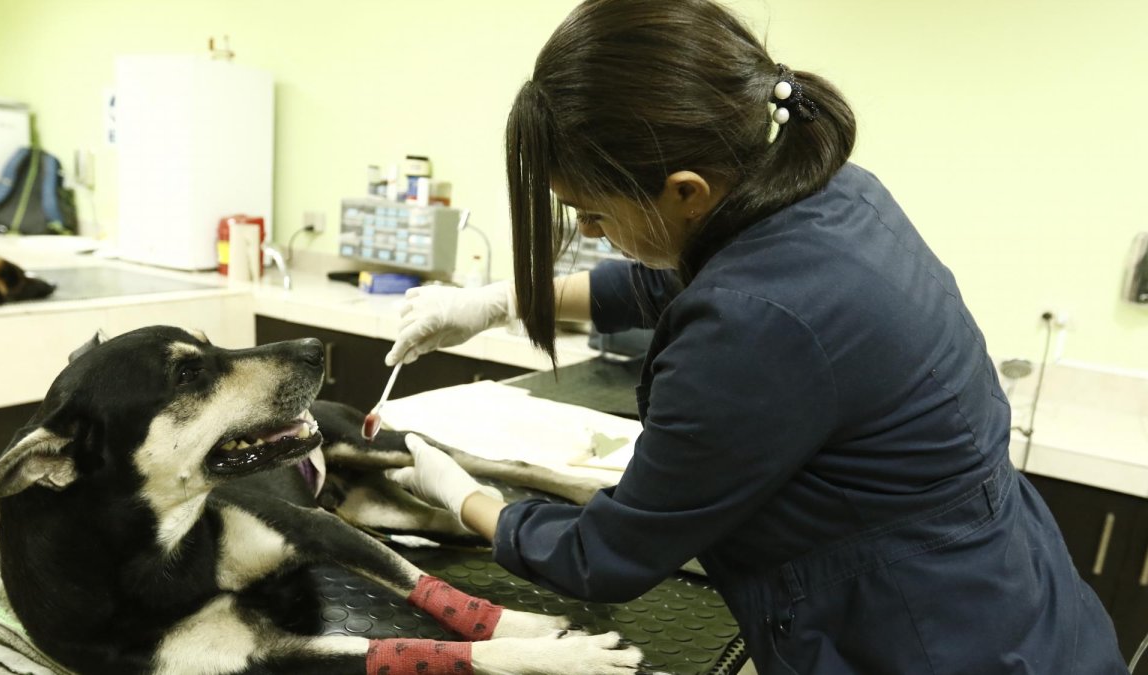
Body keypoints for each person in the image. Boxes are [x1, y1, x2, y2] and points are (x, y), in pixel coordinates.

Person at [383, 1, 1128, 672]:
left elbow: (603, 555)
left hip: (927, 638)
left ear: (684, 191)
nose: (587, 233)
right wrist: (503, 299)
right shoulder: (828, 189)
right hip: (1013, 595)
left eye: (596, 214)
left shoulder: (754, 323)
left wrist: (465, 497)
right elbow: (674, 274)